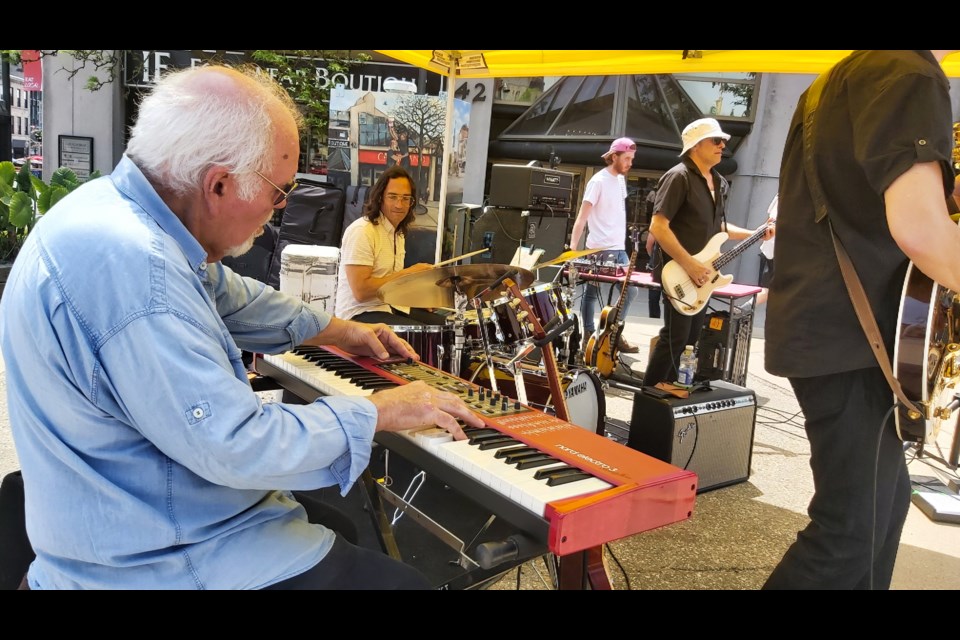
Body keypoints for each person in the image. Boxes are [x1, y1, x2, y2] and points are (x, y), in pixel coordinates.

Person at [0, 65, 484, 590]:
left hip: (129, 517)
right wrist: (380, 410)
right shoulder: (138, 269)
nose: (278, 210)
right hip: (163, 559)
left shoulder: (114, 211)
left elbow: (230, 295)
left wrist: (342, 332)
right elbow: (234, 444)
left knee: (338, 523)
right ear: (219, 184)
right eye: (280, 192)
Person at [764, 50, 960, 590]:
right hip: (857, 335)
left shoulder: (835, 80)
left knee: (880, 512)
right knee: (850, 532)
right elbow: (922, 230)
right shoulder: (910, 73)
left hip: (834, 330)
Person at [644, 118, 773, 386]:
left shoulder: (720, 183)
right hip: (677, 271)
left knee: (690, 340)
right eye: (716, 140)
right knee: (675, 337)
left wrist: (755, 233)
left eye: (723, 140)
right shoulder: (678, 177)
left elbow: (719, 227)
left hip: (701, 275)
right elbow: (658, 225)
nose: (722, 145)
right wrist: (690, 264)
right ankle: (650, 397)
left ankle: (673, 394)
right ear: (695, 146)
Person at [335, 165, 442, 325]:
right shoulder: (362, 231)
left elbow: (392, 287)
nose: (399, 205)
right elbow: (361, 292)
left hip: (388, 307)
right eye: (392, 197)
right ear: (380, 198)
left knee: (446, 326)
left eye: (406, 198)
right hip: (358, 315)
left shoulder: (397, 233)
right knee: (427, 337)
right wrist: (408, 274)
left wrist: (419, 299)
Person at [569, 137, 640, 355]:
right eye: (626, 158)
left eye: (632, 159)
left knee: (631, 291)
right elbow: (582, 217)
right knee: (591, 295)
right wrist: (573, 250)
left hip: (619, 248)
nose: (630, 163)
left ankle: (613, 332)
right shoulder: (597, 181)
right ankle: (589, 337)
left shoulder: (620, 181)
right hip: (598, 250)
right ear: (614, 156)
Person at [756, 194, 779, 305]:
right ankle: (740, 310)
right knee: (768, 289)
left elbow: (769, 219)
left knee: (767, 289)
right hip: (778, 250)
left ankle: (741, 309)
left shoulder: (779, 196)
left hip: (770, 249)